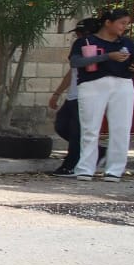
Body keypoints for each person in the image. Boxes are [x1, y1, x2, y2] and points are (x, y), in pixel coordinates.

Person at [69, 8, 134, 183]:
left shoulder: (127, 43)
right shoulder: (86, 41)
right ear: (108, 22)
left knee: (121, 128)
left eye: (126, 24)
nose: (124, 27)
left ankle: (115, 170)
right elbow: (76, 62)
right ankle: (85, 168)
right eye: (121, 23)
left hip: (122, 84)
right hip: (93, 84)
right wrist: (107, 56)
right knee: (90, 128)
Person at [48, 17, 102, 176]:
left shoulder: (98, 49)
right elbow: (72, 72)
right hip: (73, 96)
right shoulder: (80, 47)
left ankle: (71, 165)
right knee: (61, 126)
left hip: (86, 96)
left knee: (76, 132)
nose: (79, 37)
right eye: (78, 33)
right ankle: (98, 151)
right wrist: (57, 93)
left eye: (81, 33)